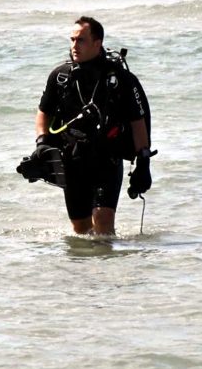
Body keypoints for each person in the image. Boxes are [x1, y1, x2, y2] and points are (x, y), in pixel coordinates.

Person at [34, 17, 152, 235]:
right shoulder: (60, 76)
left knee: (103, 220)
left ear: (97, 43)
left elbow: (138, 122)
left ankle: (108, 266)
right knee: (80, 230)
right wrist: (41, 144)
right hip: (72, 158)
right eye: (72, 40)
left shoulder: (121, 79)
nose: (74, 46)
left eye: (81, 40)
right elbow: (44, 113)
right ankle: (86, 268)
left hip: (108, 157)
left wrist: (143, 162)